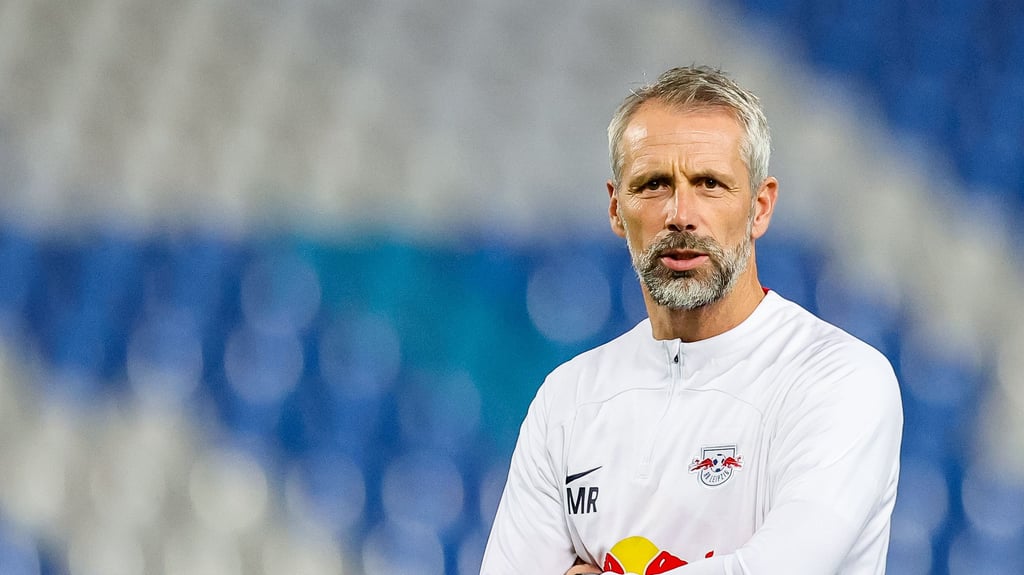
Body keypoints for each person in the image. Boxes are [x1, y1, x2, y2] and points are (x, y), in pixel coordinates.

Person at [479, 66, 903, 574]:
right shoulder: (568, 399)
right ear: (617, 209)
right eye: (654, 184)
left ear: (760, 207)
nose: (681, 213)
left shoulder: (840, 378)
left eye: (709, 184)